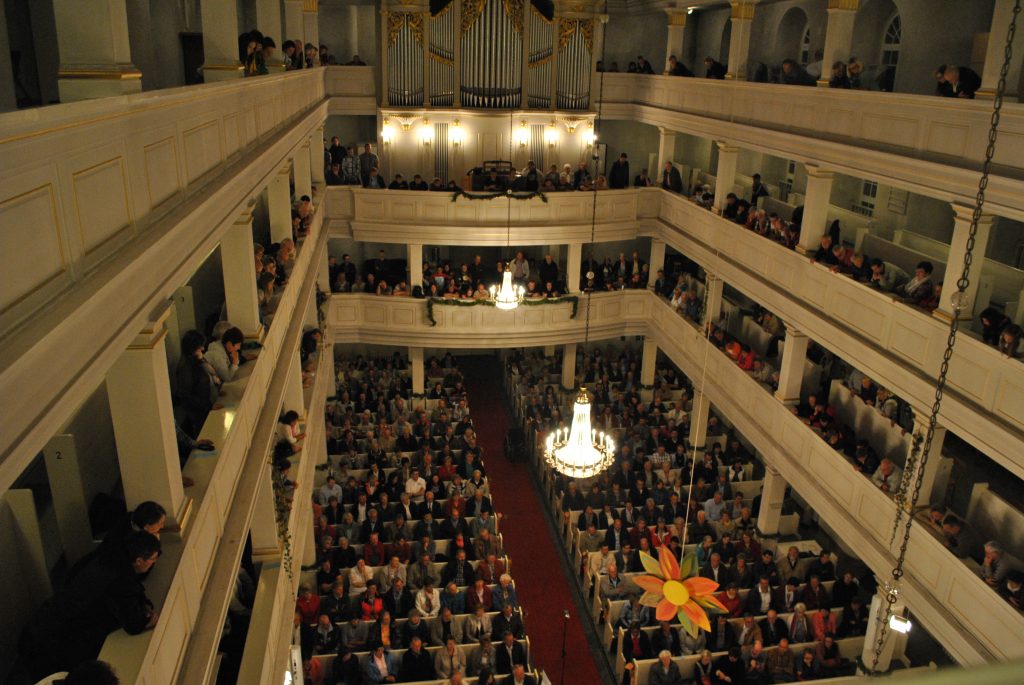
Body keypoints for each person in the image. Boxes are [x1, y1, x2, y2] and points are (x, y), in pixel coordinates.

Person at [20, 532, 162, 679]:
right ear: (139, 561)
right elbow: (133, 623)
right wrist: (146, 620)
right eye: (152, 559)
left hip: (42, 626)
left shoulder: (111, 557)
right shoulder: (120, 579)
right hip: (52, 641)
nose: (154, 562)